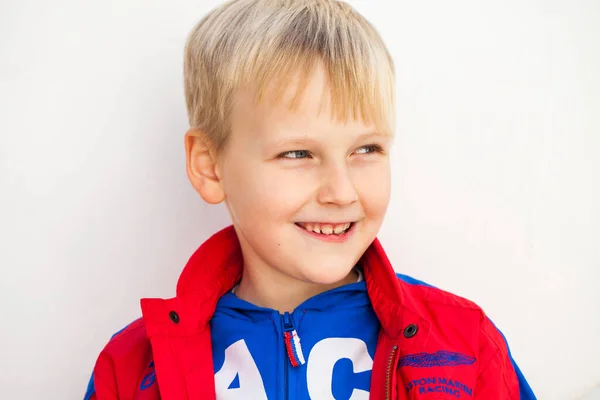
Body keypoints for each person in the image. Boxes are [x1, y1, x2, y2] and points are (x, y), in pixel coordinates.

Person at [84, 0, 536, 398]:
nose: (341, 193)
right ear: (209, 165)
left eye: (366, 149)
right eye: (297, 153)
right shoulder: (133, 370)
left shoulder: (463, 345)